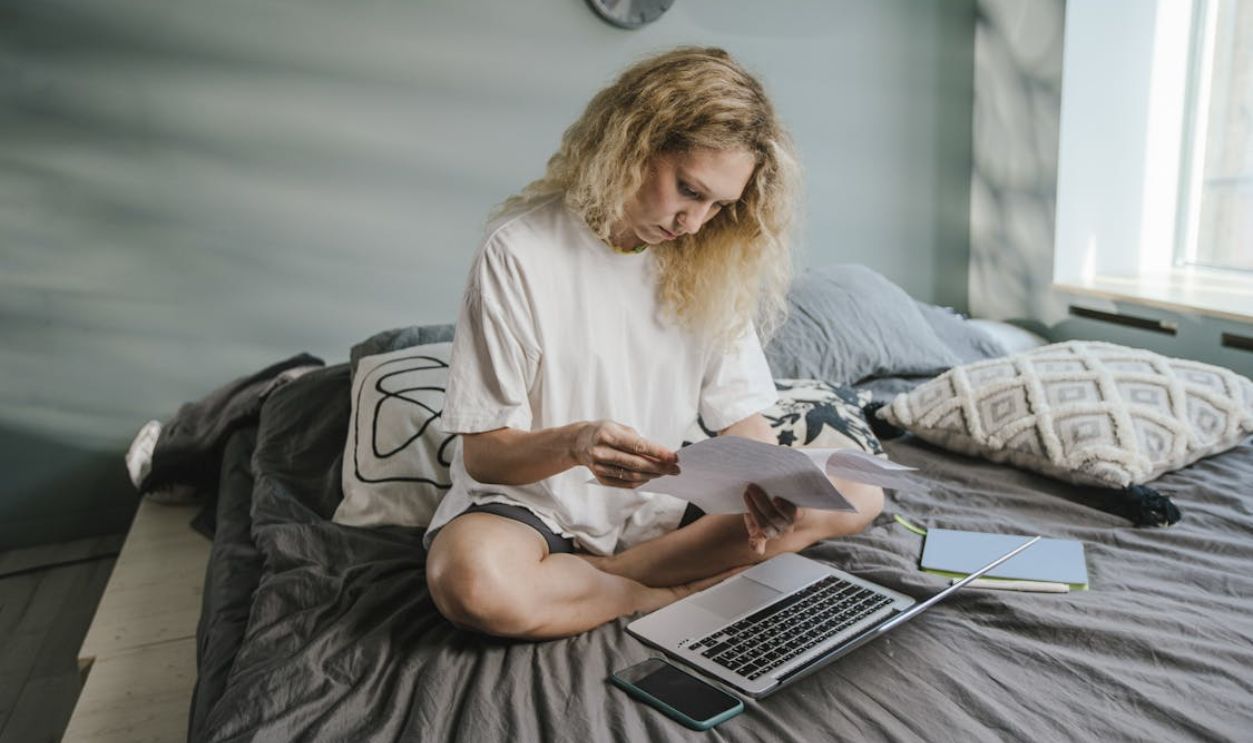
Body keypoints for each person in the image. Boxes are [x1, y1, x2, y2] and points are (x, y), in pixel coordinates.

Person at [424, 47, 883, 640]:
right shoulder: (519, 251)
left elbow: (742, 417)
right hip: (534, 508)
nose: (694, 222)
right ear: (633, 143)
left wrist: (768, 481)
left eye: (719, 205)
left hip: (662, 510)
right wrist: (577, 443)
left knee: (857, 490)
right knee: (472, 583)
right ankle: (657, 590)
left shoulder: (708, 257)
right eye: (689, 190)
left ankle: (609, 580)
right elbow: (485, 455)